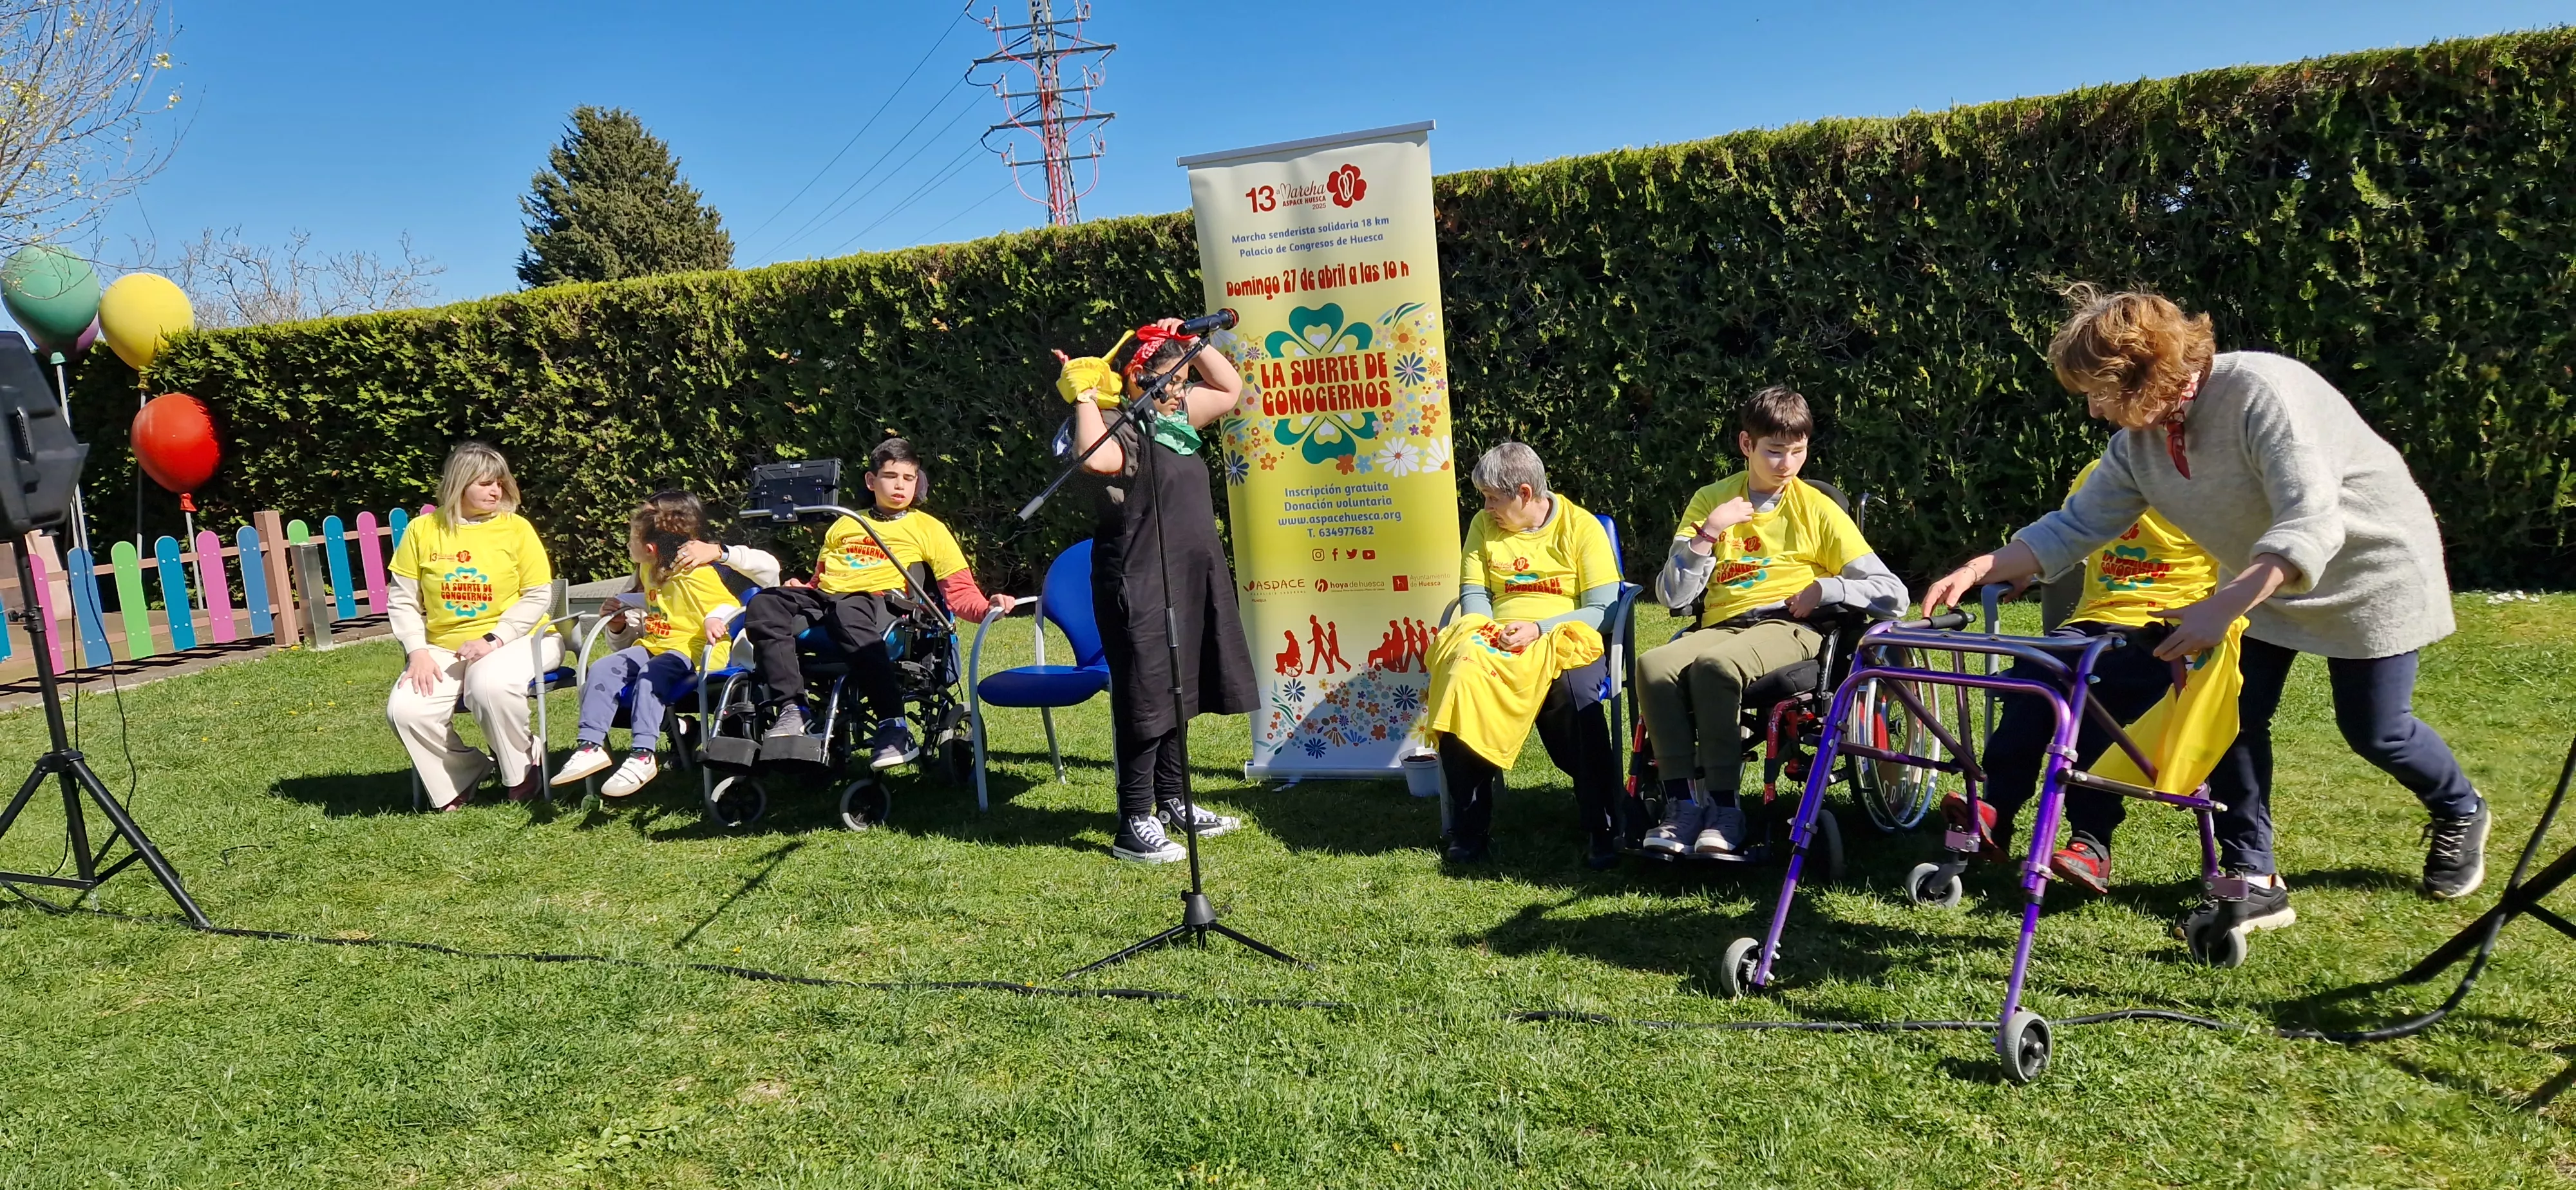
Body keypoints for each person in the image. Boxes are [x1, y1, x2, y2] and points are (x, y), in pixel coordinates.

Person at [1924, 286, 2487, 956]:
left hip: (2369, 574)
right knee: (2236, 714)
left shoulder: (2262, 395)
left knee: (2376, 730)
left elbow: (2312, 520)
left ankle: (2459, 807)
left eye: (2098, 390)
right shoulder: (2140, 439)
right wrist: (1990, 563)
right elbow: (2079, 523)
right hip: (2260, 578)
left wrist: (2220, 605)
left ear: (2146, 374)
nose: (2092, 408)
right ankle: (2255, 875)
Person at [1634, 386, 1906, 860]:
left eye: (1797, 452)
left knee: (1716, 666)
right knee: (1653, 665)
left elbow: (1894, 596)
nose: (1786, 464)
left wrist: (1830, 589)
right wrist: (1709, 532)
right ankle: (1680, 807)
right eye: (1774, 451)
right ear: (1746, 445)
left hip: (1790, 627)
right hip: (1720, 624)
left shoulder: (1816, 509)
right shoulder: (1711, 500)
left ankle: (1724, 808)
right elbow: (1672, 596)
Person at [1946, 460, 2221, 893]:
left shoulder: (2210, 478)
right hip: (2094, 623)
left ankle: (2092, 842)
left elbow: (2239, 565)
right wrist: (2025, 568)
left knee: (2097, 694)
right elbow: (2067, 537)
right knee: (2035, 672)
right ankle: (1994, 809)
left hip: (2169, 630)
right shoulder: (2103, 471)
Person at [1061, 318, 1254, 864]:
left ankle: (1173, 800)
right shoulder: (1123, 424)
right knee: (1146, 696)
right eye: (1172, 374)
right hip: (1139, 580)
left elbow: (1230, 389)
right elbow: (1094, 460)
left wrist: (1195, 343)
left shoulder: (1177, 421)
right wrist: (1086, 396)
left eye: (1184, 374)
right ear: (1141, 374)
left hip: (1189, 578)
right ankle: (1134, 819)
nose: (1181, 383)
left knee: (1180, 688)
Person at [743, 437, 1014, 768]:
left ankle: (893, 726)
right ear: (872, 481)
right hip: (829, 598)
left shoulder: (929, 529)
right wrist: (803, 588)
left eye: (909, 478)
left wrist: (989, 608)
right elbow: (821, 580)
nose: (900, 486)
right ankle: (793, 710)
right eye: (891, 476)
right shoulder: (845, 522)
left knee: (847, 609)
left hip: (881, 603)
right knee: (765, 603)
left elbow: (958, 592)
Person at [1422, 442, 1625, 867]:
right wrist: (1488, 631)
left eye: (1494, 498)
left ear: (1526, 494)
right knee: (1461, 679)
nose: (1487, 506)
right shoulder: (1483, 525)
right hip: (1497, 634)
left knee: (1575, 696)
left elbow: (1604, 609)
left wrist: (1539, 629)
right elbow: (1474, 593)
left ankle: (1603, 822)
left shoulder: (1581, 527)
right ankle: (1469, 825)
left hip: (1566, 636)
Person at [384, 441, 562, 811]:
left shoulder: (517, 529)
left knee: (489, 684)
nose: (496, 491)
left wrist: (494, 639)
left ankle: (524, 768)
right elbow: (402, 599)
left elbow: (537, 596)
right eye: (484, 484)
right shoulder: (421, 531)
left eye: (499, 482)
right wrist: (417, 651)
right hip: (444, 645)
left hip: (520, 638)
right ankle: (464, 772)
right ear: (458, 485)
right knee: (406, 709)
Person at [552, 491, 750, 798]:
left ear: (649, 547)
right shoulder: (650, 569)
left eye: (631, 539)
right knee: (604, 668)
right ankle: (591, 745)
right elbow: (656, 599)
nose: (627, 545)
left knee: (650, 677)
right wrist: (623, 602)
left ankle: (643, 754)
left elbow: (726, 602)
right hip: (657, 643)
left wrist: (714, 618)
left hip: (693, 650)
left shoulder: (694, 573)